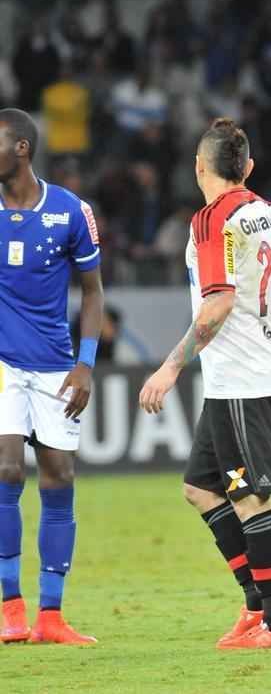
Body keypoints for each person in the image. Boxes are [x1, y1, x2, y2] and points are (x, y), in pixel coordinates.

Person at [137, 119, 271, 649]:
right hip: (235, 379)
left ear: (199, 167)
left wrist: (170, 366)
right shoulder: (266, 213)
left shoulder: (210, 221)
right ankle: (255, 606)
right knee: (200, 490)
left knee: (249, 499)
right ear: (246, 168)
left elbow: (218, 304)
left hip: (244, 381)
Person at [0, 108, 104, 645]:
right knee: (7, 470)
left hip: (57, 364)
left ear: (21, 148)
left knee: (59, 477)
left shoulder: (70, 211)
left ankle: (52, 617)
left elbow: (92, 292)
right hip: (1, 365)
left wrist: (85, 361)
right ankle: (10, 608)